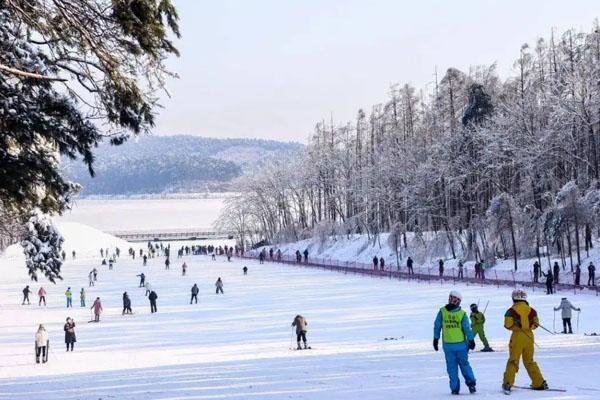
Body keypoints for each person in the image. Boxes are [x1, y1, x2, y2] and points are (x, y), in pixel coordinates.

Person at [502, 289, 548, 393]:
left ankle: (508, 383)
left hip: (517, 337)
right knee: (529, 360)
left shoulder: (511, 311)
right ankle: (539, 383)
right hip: (529, 337)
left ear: (514, 298)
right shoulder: (532, 310)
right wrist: (529, 326)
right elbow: (536, 324)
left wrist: (518, 327)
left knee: (513, 360)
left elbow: (508, 324)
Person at [433, 290, 476, 395]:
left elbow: (437, 325)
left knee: (451, 367)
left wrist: (436, 339)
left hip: (448, 346)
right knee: (465, 365)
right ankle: (471, 384)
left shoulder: (442, 311)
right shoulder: (462, 314)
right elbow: (467, 329)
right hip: (461, 345)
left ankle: (455, 388)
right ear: (458, 302)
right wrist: (471, 340)